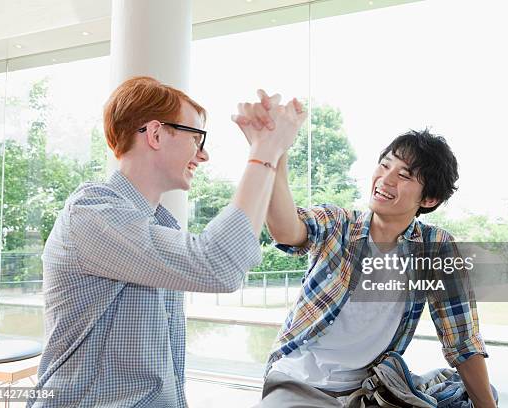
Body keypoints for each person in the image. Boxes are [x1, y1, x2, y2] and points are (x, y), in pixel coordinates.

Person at [28, 77, 306, 407]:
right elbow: (218, 266)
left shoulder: (160, 224)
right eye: (196, 139)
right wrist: (265, 150)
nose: (202, 156)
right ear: (156, 134)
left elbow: (231, 256)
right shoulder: (91, 215)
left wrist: (272, 150)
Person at [233, 92, 497, 408]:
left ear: (428, 199)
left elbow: (462, 341)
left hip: (370, 389)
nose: (385, 179)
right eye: (384, 166)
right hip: (300, 382)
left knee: (479, 393)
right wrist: (277, 148)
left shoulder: (435, 249)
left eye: (404, 176)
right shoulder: (338, 224)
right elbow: (286, 229)